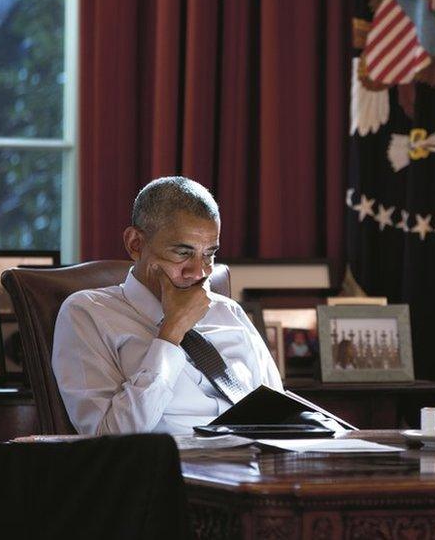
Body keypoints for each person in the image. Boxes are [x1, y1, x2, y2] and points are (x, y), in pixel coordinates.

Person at [52, 176, 282, 435]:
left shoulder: (229, 313)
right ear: (135, 244)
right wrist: (171, 334)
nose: (199, 272)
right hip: (165, 469)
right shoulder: (86, 313)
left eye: (209, 254)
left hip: (251, 465)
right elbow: (109, 438)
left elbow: (280, 417)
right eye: (182, 253)